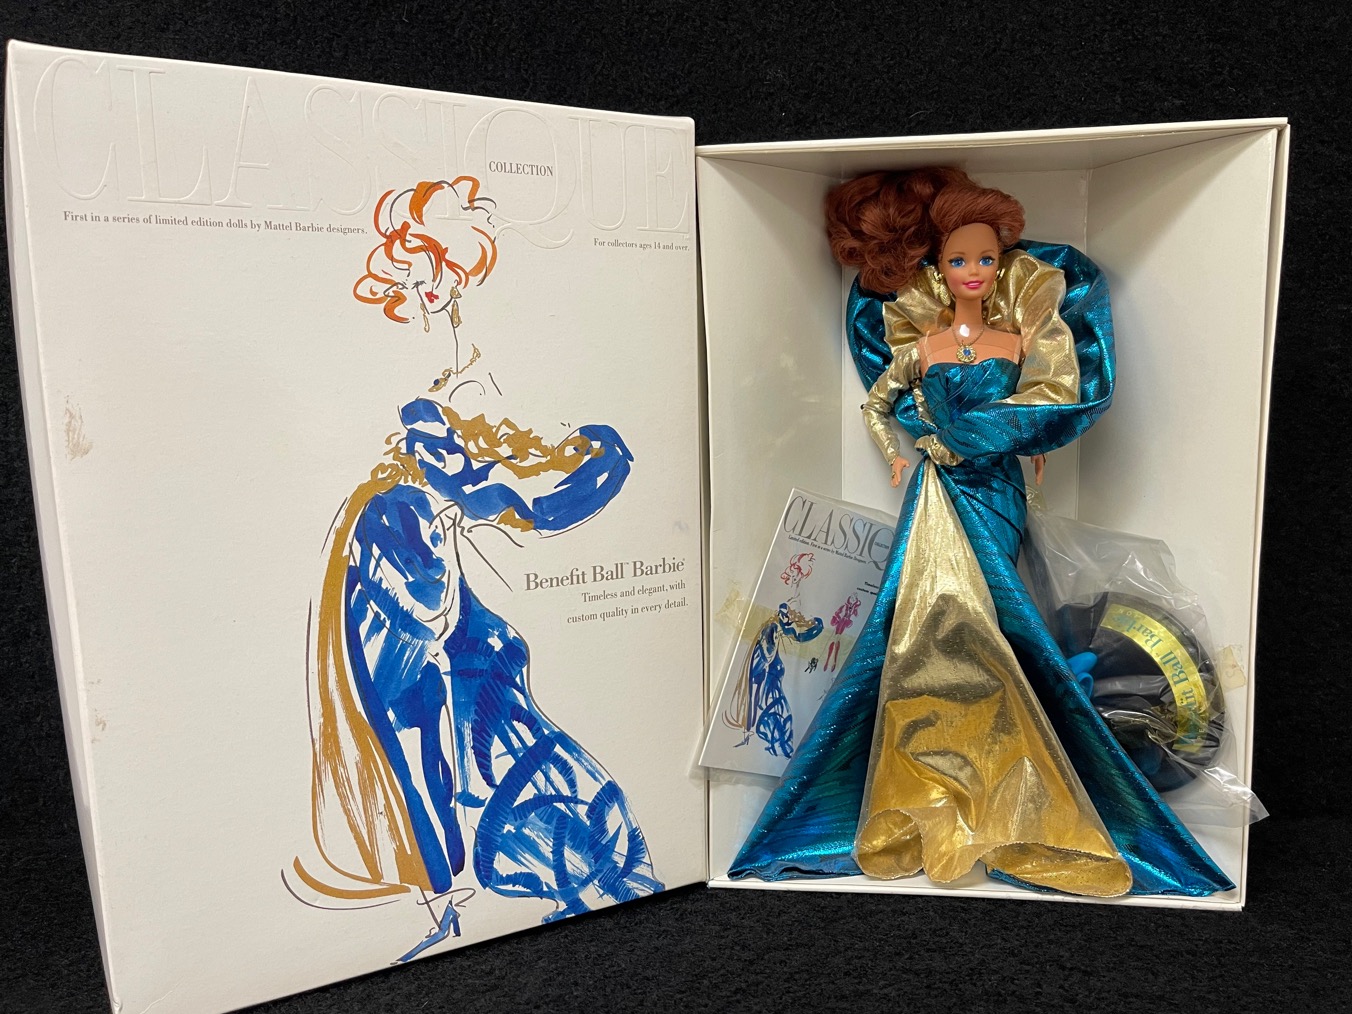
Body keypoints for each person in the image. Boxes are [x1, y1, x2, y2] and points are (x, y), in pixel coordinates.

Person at [729, 168, 1232, 898]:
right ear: (939, 267)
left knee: (997, 614)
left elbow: (1040, 413)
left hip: (998, 488)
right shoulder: (923, 344)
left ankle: (1012, 782)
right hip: (937, 488)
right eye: (959, 259)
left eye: (986, 259)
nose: (973, 271)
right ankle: (932, 783)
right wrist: (899, 455)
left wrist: (1027, 451)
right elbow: (879, 405)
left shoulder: (1016, 340)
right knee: (929, 617)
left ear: (1002, 266)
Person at [291, 179, 662, 962]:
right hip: (398, 558)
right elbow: (496, 488)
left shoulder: (461, 377)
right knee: (414, 717)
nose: (438, 297)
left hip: (424, 564)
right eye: (428, 280)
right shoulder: (415, 401)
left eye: (443, 281)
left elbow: (514, 489)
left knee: (467, 687)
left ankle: (454, 882)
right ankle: (442, 889)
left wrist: (582, 464)